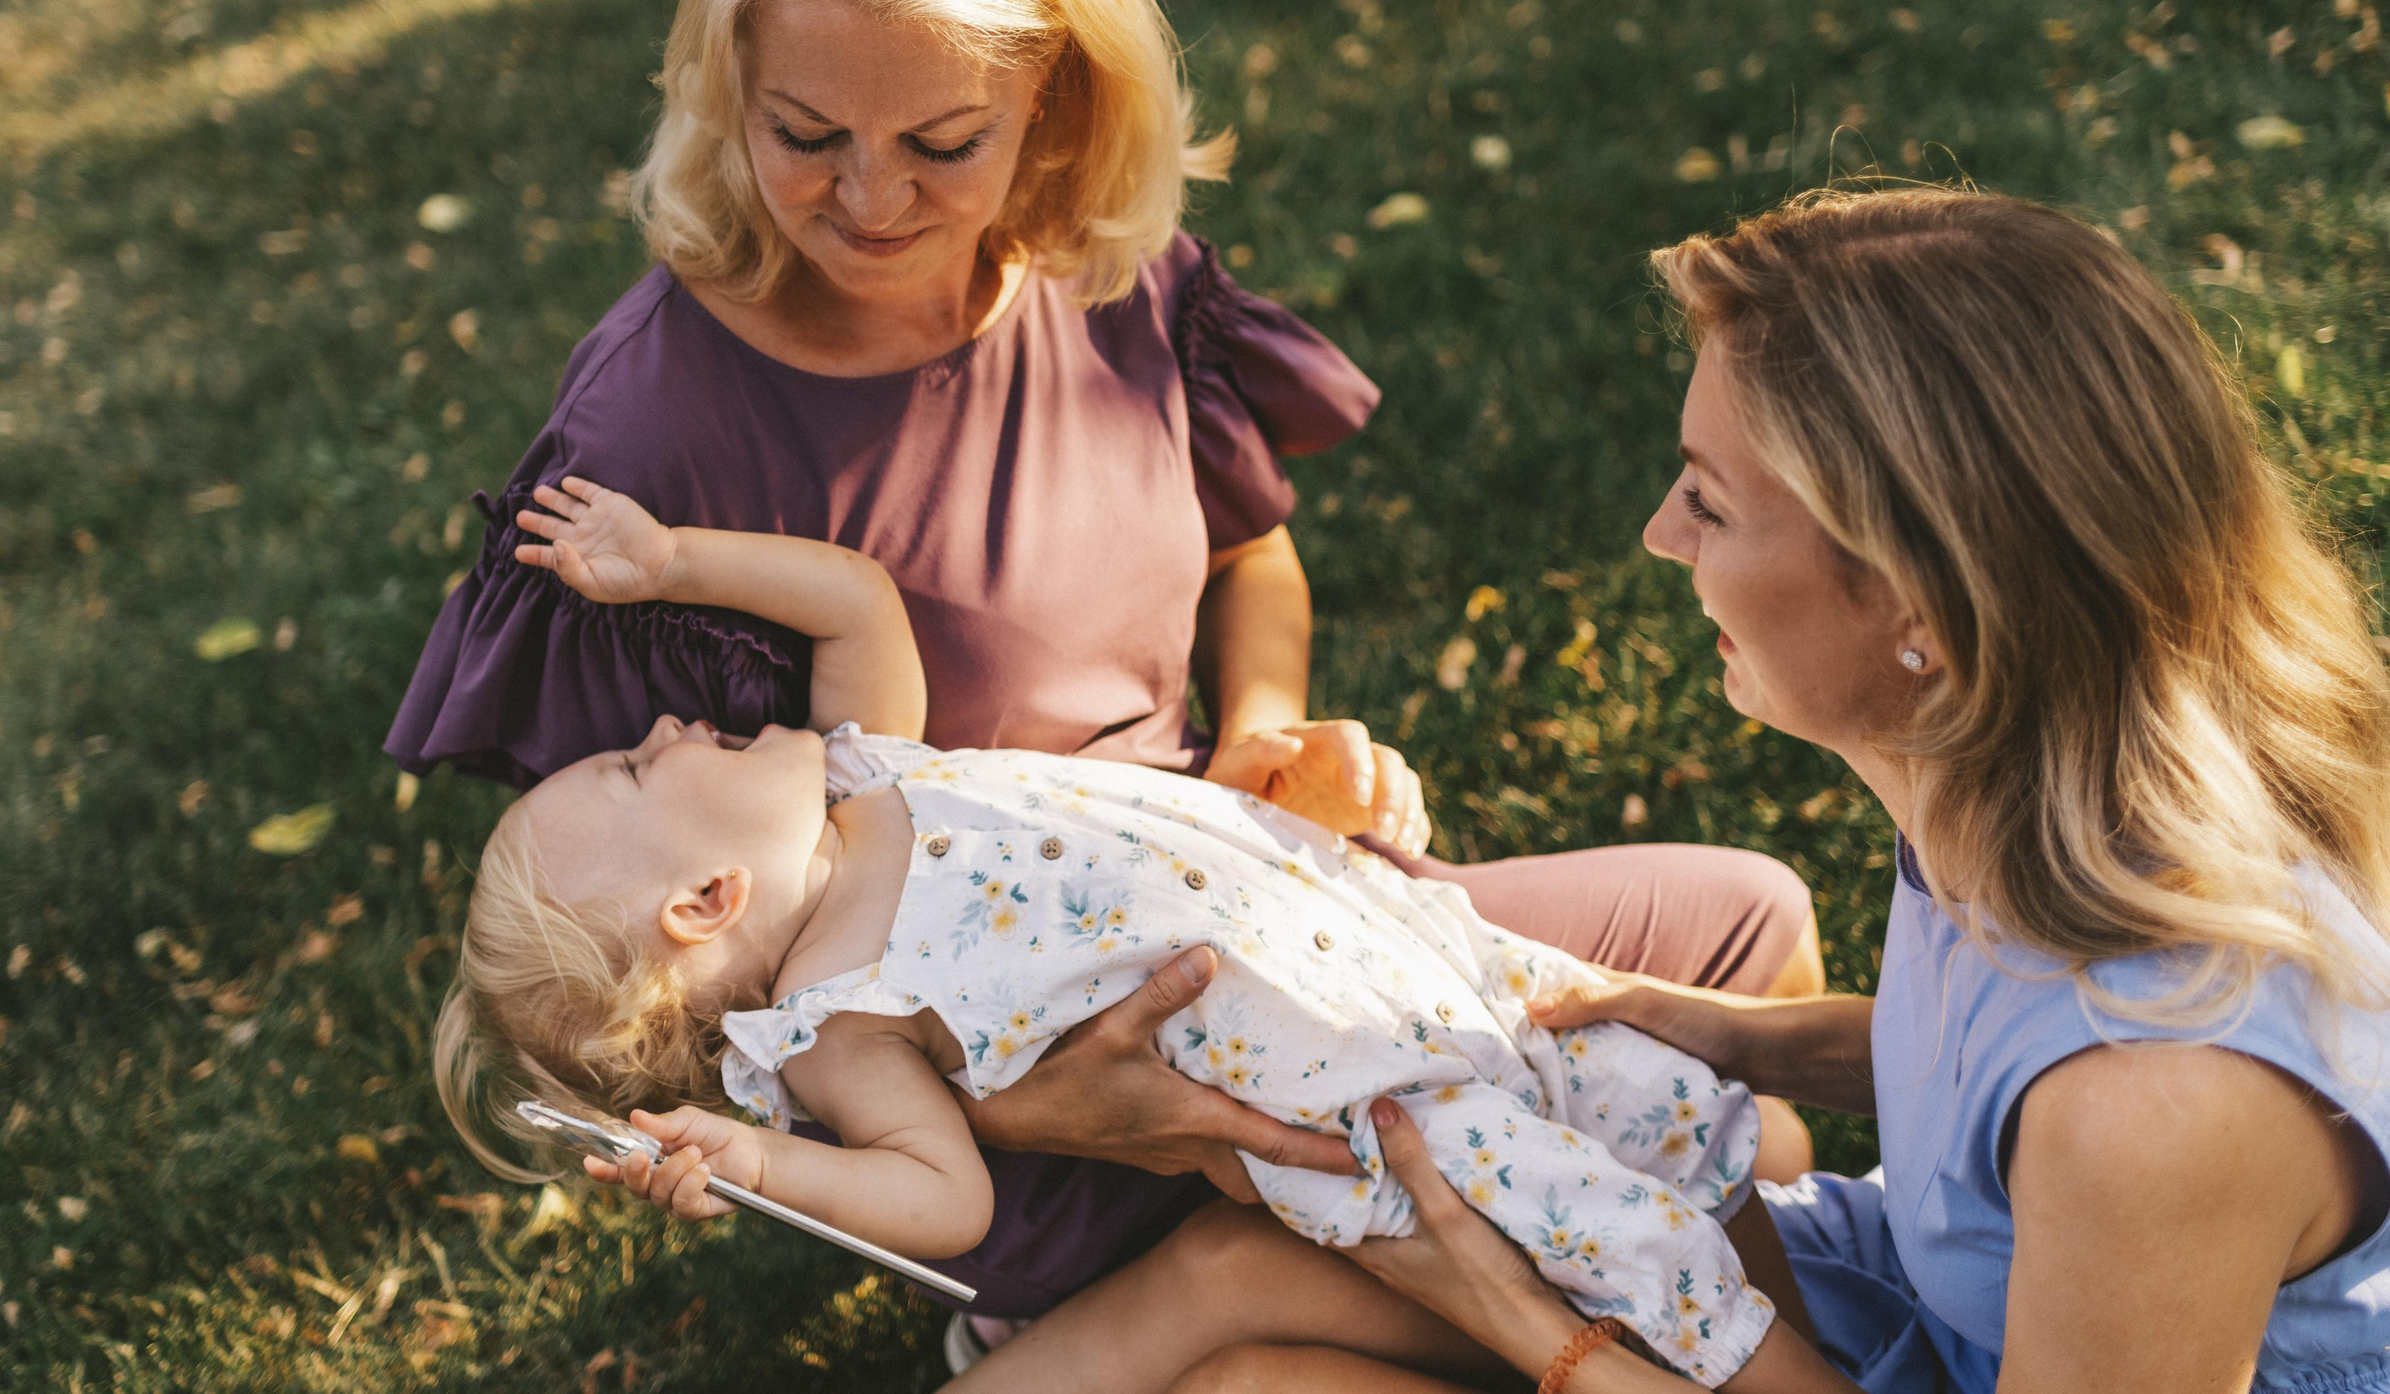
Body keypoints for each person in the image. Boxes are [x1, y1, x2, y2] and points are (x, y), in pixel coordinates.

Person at [386, 0, 1823, 1328]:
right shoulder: (647, 453)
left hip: (1244, 903)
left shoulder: (1095, 271)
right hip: (1047, 1105)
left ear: (1055, 95)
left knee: (1750, 931)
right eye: (807, 134)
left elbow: (1246, 557)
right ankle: (1202, 1310)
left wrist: (1268, 748)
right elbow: (672, 989)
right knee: (1535, 1244)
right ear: (729, 92)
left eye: (943, 140)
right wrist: (1051, 1104)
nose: (873, 202)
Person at [1147, 186, 2390, 1393]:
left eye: (1709, 501)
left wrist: (1530, 1332)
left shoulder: (2161, 1109)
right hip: (1960, 1321)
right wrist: (1709, 1031)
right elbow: (1992, 1058)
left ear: (1923, 602)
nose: (1656, 536)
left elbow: (2089, 1120)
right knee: (1238, 1279)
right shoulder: (2032, 789)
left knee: (1267, 1380)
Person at [435, 475, 1807, 1389]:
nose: (663, 726)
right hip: (1361, 1106)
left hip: (1394, 956)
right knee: (1648, 1263)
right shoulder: (837, 1021)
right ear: (704, 904)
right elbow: (941, 1199)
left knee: (1687, 1118)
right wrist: (753, 1160)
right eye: (633, 771)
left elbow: (857, 597)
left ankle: (1813, 1282)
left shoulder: (867, 772)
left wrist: (671, 560)